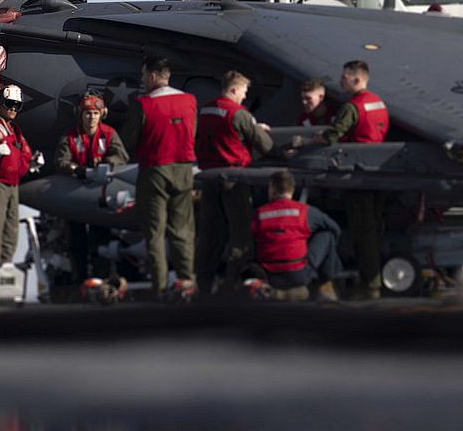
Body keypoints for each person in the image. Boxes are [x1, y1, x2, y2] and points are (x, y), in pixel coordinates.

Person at [120, 55, 198, 297]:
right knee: (182, 229)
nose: (142, 80)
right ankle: (187, 281)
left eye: (144, 76)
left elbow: (128, 140)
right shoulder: (189, 101)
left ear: (152, 76)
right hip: (184, 170)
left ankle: (160, 285)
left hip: (154, 169)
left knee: (154, 232)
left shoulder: (143, 104)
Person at [195, 70, 273, 291]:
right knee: (240, 236)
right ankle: (231, 285)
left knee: (211, 235)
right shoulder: (239, 113)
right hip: (235, 178)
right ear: (235, 89)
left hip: (210, 178)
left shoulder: (207, 109)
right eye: (244, 92)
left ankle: (203, 285)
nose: (244, 98)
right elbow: (264, 145)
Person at [319, 60, 390, 299]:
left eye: (344, 78)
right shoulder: (379, 103)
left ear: (357, 79)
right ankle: (375, 279)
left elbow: (331, 136)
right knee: (375, 230)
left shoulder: (352, 107)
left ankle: (371, 286)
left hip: (358, 174)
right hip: (378, 172)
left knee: (363, 232)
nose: (340, 82)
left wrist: (305, 142)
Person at [53, 93, 128, 282]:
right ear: (80, 115)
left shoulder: (109, 134)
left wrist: (107, 164)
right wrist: (78, 170)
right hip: (76, 195)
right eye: (87, 113)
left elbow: (121, 156)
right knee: (76, 243)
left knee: (100, 240)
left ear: (101, 114)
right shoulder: (70, 136)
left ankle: (100, 279)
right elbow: (60, 161)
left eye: (95, 113)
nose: (91, 117)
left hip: (100, 195)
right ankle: (80, 281)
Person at [252, 169, 341, 301]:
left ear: (271, 189)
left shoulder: (259, 214)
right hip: (299, 274)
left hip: (268, 275)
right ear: (292, 190)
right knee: (327, 235)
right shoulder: (304, 211)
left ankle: (273, 291)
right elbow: (334, 228)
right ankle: (325, 285)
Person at [0, 83, 34, 283]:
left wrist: (31, 163)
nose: (13, 108)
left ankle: (2, 276)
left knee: (11, 232)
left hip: (13, 185)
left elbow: (24, 153)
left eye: (17, 105)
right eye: (9, 103)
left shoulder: (14, 130)